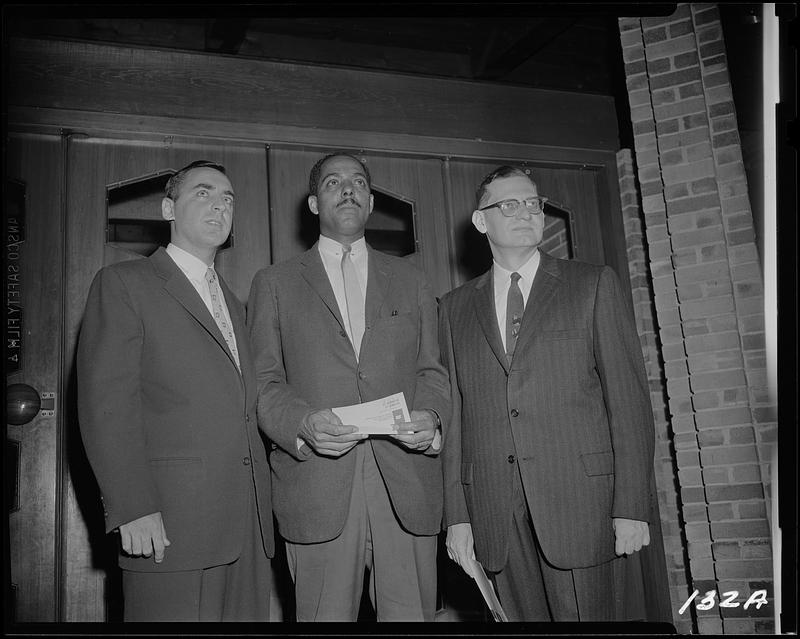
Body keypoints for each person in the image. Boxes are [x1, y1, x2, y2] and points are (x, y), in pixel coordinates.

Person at [440, 165, 656, 622]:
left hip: (582, 507)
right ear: (481, 221)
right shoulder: (454, 308)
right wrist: (458, 518)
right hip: (495, 514)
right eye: (509, 204)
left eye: (533, 203)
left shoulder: (592, 284)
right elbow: (455, 417)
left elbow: (629, 403)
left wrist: (632, 506)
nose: (525, 212)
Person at [247, 152, 450, 622]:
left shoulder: (412, 279)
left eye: (358, 182)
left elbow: (432, 371)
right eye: (334, 182)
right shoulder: (274, 283)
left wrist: (433, 418)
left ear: (372, 201)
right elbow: (263, 381)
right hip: (318, 482)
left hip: (405, 481)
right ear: (314, 203)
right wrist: (301, 424)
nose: (348, 189)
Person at [77, 160, 273, 622]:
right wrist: (132, 506)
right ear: (168, 208)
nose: (219, 206)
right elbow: (107, 405)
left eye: (228, 199)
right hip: (169, 524)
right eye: (203, 193)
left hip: (248, 525)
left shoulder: (237, 303)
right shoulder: (125, 284)